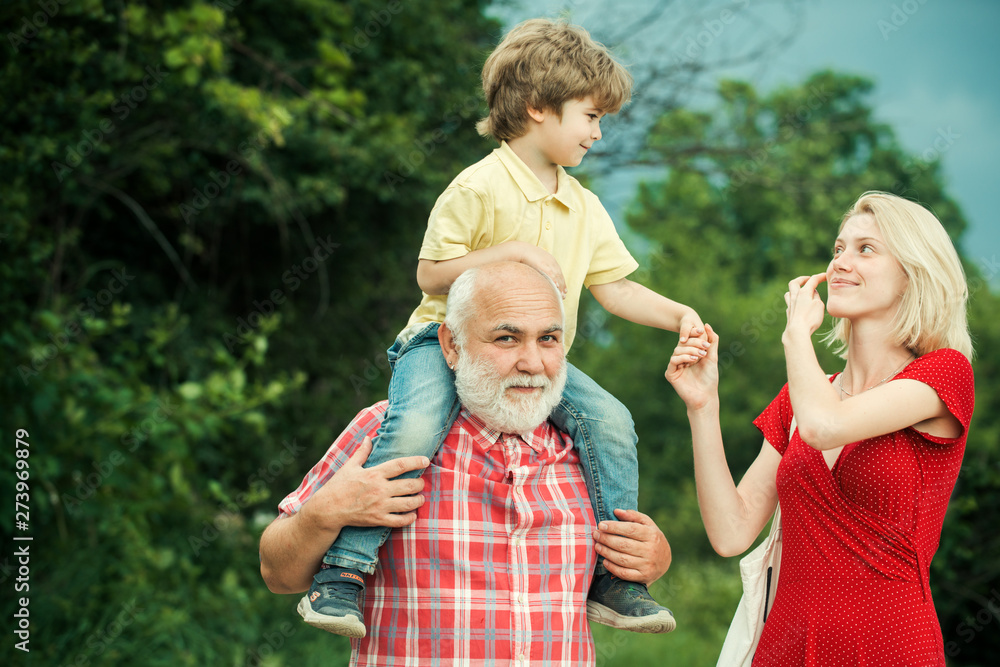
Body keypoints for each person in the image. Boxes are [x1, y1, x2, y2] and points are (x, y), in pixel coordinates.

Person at [300, 18, 706, 637]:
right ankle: (343, 573)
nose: (597, 132)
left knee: (611, 421)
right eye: (590, 116)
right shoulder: (478, 187)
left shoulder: (585, 206)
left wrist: (679, 315)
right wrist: (508, 253)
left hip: (537, 359)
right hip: (444, 344)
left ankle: (614, 579)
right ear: (539, 106)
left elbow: (615, 288)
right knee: (414, 426)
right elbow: (430, 274)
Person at [260, 262, 674, 664]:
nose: (532, 363)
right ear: (451, 345)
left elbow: (632, 558)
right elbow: (277, 573)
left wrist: (653, 559)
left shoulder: (592, 453)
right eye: (507, 338)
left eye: (548, 339)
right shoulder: (387, 433)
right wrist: (324, 513)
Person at [665, 191, 975, 666]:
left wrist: (795, 334)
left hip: (889, 647)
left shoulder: (944, 373)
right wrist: (703, 406)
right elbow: (731, 532)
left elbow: (826, 426)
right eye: (838, 248)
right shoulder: (803, 397)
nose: (840, 263)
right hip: (784, 649)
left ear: (913, 274)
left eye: (866, 249)